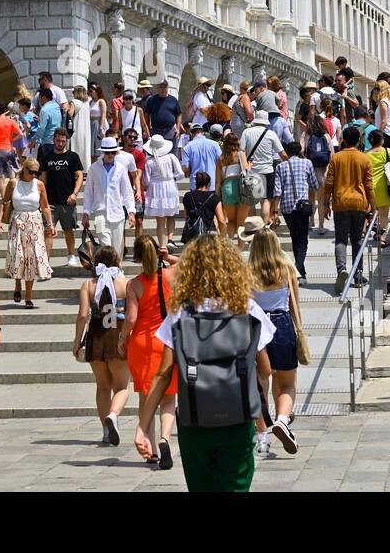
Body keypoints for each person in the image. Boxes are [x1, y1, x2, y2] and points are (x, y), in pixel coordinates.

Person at [132, 235, 276, 492]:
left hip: (195, 421)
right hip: (237, 418)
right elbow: (265, 370)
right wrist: (257, 410)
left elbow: (163, 374)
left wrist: (143, 426)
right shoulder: (246, 308)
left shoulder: (181, 312)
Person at [119, 236, 178, 469]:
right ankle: (165, 439)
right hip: (166, 342)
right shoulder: (171, 275)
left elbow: (131, 318)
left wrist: (122, 338)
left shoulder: (133, 284)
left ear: (137, 257)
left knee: (147, 396)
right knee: (168, 398)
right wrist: (168, 256)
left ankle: (150, 449)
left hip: (142, 343)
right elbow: (187, 262)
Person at [247, 227, 303, 459]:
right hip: (282, 325)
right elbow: (295, 305)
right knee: (288, 383)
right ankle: (282, 419)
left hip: (257, 327)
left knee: (259, 385)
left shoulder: (248, 272)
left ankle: (262, 437)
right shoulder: (286, 270)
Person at [75, 245, 132, 446]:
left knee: (102, 387)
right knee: (122, 386)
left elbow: (83, 315)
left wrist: (76, 343)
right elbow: (133, 316)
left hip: (96, 336)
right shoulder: (125, 284)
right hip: (118, 335)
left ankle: (105, 431)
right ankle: (114, 416)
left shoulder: (89, 285)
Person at [323, 124, 377, 295]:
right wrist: (373, 207)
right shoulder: (365, 159)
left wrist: (325, 204)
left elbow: (329, 183)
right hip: (359, 204)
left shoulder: (336, 158)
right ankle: (358, 275)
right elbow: (369, 186)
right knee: (357, 240)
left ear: (344, 140)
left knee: (340, 240)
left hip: (340, 203)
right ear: (359, 140)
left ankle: (341, 271)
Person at [0, 157, 55, 308]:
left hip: (34, 223)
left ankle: (28, 297)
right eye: (31, 172)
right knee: (19, 256)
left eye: (37, 173)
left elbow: (45, 206)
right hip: (17, 222)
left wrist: (50, 224)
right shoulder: (13, 183)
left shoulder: (39, 185)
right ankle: (18, 284)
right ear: (24, 170)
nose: (34, 175)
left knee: (32, 259)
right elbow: (4, 202)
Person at [272, 141, 319, 282]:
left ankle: (301, 272)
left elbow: (277, 191)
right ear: (300, 151)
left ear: (287, 151)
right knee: (302, 240)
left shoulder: (280, 166)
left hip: (287, 207)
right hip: (302, 206)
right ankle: (297, 271)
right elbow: (315, 185)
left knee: (294, 237)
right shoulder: (307, 163)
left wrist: (275, 211)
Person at [83, 137, 137, 256]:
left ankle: (116, 271)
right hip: (100, 212)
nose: (110, 155)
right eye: (108, 152)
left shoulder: (121, 168)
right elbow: (88, 193)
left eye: (113, 152)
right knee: (106, 247)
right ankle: (109, 270)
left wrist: (131, 212)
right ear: (103, 152)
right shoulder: (93, 168)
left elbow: (127, 192)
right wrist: (86, 212)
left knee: (117, 249)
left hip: (117, 212)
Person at [39, 127, 84, 266]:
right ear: (53, 140)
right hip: (50, 202)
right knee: (48, 231)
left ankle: (71, 254)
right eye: (58, 141)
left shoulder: (73, 157)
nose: (60, 143)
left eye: (63, 141)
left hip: (67, 201)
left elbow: (80, 176)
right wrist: (42, 200)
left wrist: (75, 193)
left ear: (66, 141)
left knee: (68, 230)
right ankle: (46, 262)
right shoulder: (46, 158)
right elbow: (43, 180)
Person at [241, 110, 288, 225]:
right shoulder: (271, 134)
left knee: (251, 201)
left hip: (252, 171)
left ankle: (253, 227)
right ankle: (263, 226)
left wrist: (245, 167)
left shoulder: (246, 132)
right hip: (267, 171)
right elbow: (282, 153)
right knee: (265, 200)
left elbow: (241, 151)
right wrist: (289, 162)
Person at [143, 133, 185, 246]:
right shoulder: (171, 157)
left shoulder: (149, 162)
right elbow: (180, 174)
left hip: (156, 188)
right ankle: (170, 239)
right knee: (171, 215)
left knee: (160, 221)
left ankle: (162, 245)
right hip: (170, 185)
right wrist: (171, 177)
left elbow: (146, 181)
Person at [367, 129, 390, 247]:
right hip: (384, 186)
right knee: (384, 214)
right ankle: (382, 237)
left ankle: (375, 231)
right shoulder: (387, 151)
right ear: (381, 140)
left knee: (373, 211)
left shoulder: (366, 154)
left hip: (370, 186)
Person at [216, 133, 250, 240]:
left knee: (231, 221)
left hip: (227, 188)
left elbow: (217, 181)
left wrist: (217, 197)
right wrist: (250, 165)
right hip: (242, 188)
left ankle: (229, 245)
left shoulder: (221, 158)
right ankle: (239, 250)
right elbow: (246, 171)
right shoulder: (241, 154)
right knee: (241, 223)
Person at [305, 113, 333, 235]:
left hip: (310, 171)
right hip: (324, 171)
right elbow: (332, 154)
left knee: (311, 198)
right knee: (321, 200)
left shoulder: (306, 135)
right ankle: (321, 226)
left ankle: (311, 221)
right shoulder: (326, 136)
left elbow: (301, 150)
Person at [118, 128, 148, 240]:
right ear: (123, 137)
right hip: (121, 193)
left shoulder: (139, 155)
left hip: (136, 191)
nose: (132, 139)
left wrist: (137, 190)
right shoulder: (118, 153)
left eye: (134, 137)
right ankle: (122, 247)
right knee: (121, 222)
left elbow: (138, 174)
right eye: (130, 136)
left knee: (139, 221)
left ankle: (139, 249)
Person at [181, 171, 224, 241]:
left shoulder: (187, 196)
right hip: (209, 234)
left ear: (196, 183)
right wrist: (223, 236)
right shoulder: (214, 198)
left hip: (191, 234)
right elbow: (221, 220)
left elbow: (186, 216)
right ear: (208, 184)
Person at [144, 79, 183, 153]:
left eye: (164, 87)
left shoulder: (173, 100)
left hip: (170, 131)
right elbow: (146, 114)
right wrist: (147, 129)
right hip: (156, 131)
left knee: (172, 153)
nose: (163, 89)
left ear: (167, 88)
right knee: (155, 152)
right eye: (160, 87)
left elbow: (179, 114)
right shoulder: (151, 100)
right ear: (157, 88)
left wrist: (178, 128)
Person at [181, 122, 221, 190]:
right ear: (202, 132)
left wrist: (187, 174)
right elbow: (221, 161)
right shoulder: (215, 144)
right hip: (212, 183)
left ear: (191, 133)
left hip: (195, 184)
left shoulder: (187, 147)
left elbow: (185, 167)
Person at [35, 87, 62, 160]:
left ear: (43, 97)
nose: (39, 101)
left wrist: (34, 140)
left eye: (39, 98)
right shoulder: (57, 106)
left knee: (47, 167)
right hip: (57, 140)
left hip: (48, 142)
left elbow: (41, 128)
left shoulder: (44, 109)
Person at [374, 80, 390, 157]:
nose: (375, 90)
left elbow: (384, 121)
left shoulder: (383, 102)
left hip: (385, 134)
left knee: (384, 159)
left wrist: (379, 134)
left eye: (377, 88)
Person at [69, 85, 93, 169]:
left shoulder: (74, 102)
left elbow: (69, 115)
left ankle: (76, 168)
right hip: (86, 130)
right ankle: (85, 168)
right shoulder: (87, 103)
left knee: (75, 148)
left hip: (76, 129)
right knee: (84, 149)